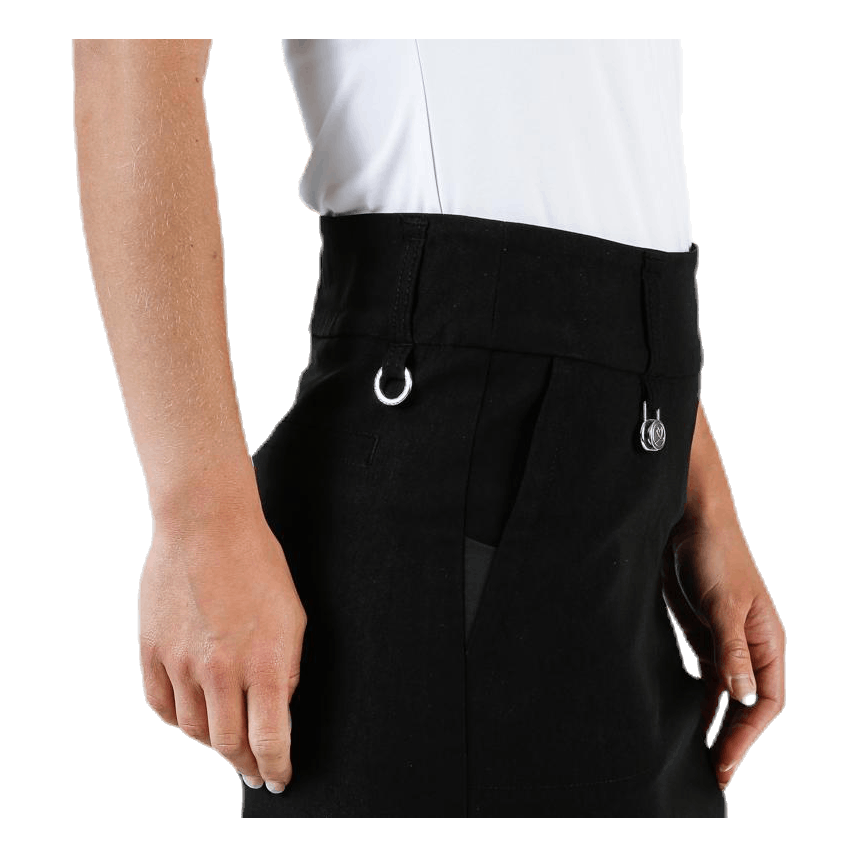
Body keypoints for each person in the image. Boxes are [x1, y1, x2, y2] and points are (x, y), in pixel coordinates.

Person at [72, 39, 786, 818]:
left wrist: (692, 480)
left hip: (622, 483)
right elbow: (126, 53)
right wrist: (198, 516)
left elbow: (584, 120)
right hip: (454, 463)